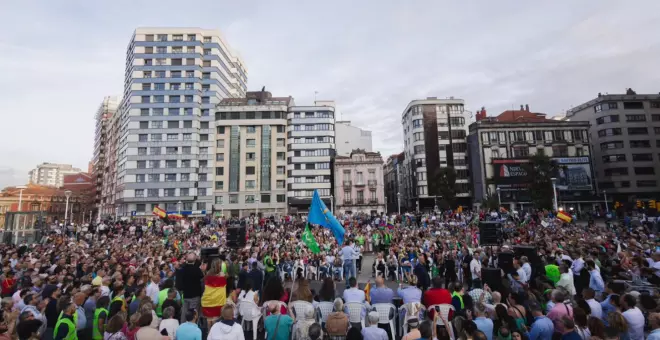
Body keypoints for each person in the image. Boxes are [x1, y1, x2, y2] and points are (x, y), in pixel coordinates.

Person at [175, 253, 204, 324]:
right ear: (195, 260)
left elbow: (179, 285)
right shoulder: (197, 270)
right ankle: (191, 328)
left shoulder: (182, 269)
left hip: (186, 295)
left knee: (184, 313)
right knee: (193, 314)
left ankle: (183, 326)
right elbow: (202, 280)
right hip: (195, 296)